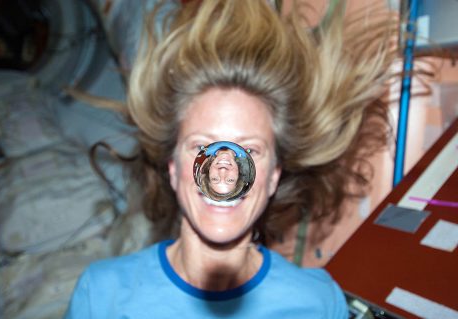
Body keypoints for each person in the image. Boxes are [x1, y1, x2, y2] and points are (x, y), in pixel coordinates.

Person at [65, 0, 397, 317]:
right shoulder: (101, 295)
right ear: (173, 168)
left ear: (273, 177)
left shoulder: (319, 303)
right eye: (200, 147)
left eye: (249, 150)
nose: (223, 170)